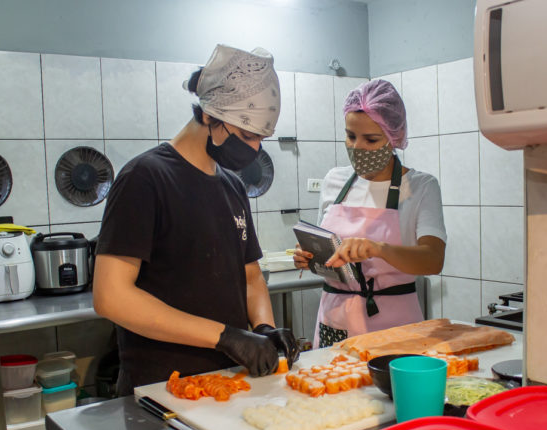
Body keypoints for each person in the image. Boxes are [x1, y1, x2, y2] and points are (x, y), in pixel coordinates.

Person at [93, 44, 299, 396]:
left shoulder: (232, 185)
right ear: (209, 115)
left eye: (260, 139)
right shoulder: (145, 178)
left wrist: (263, 327)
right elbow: (111, 296)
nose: (253, 150)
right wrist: (224, 336)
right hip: (162, 387)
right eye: (247, 135)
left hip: (229, 383)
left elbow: (250, 278)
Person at [293, 79, 447, 348]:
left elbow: (433, 260)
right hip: (335, 320)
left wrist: (379, 249)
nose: (357, 147)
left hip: (394, 326)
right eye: (350, 136)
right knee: (332, 386)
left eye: (371, 139)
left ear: (393, 137)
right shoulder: (333, 181)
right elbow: (329, 254)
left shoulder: (421, 187)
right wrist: (311, 257)